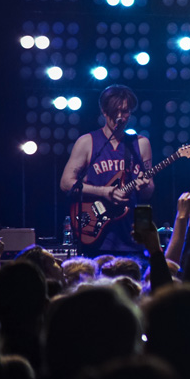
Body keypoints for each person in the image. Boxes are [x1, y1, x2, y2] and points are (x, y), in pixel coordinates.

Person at [60, 84, 153, 255]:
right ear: (104, 111)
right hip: (95, 235)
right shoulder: (87, 142)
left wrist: (144, 185)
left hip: (131, 237)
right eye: (114, 111)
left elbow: (148, 192)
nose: (120, 117)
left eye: (125, 112)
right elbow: (66, 183)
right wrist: (104, 192)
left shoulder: (141, 144)